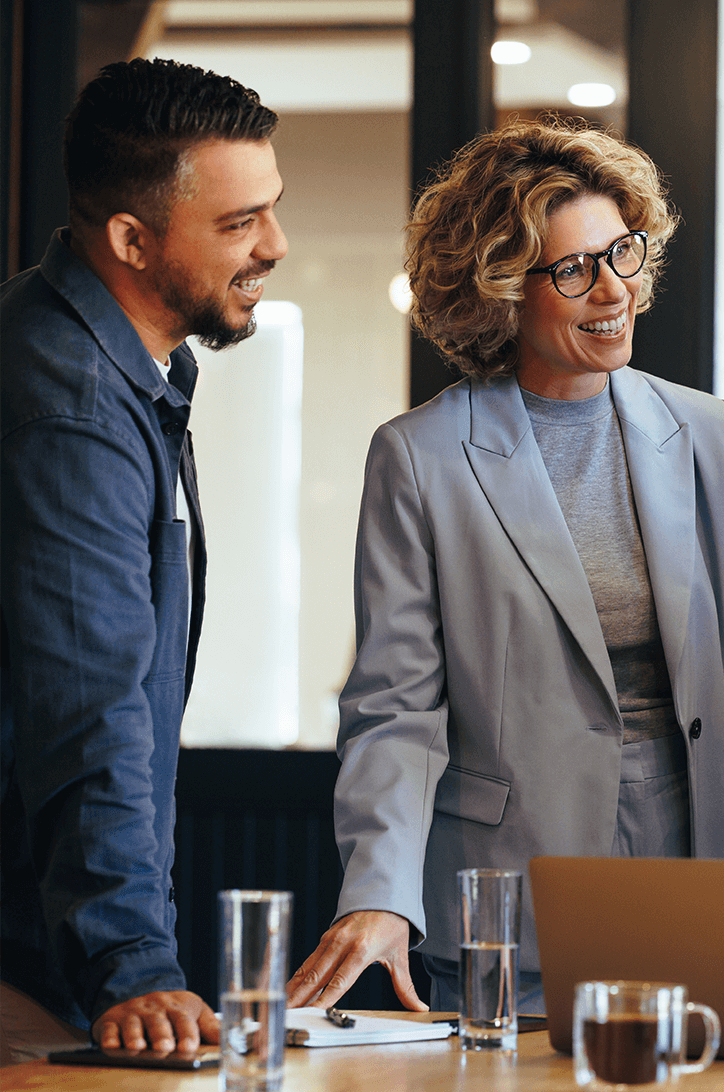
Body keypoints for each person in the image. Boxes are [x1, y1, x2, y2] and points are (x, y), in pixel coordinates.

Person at [285, 119, 724, 1016]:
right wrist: (379, 891)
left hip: (697, 867)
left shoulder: (704, 431)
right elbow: (394, 707)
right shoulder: (420, 457)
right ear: (500, 291)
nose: (613, 290)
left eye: (622, 253)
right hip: (507, 887)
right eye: (572, 270)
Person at [0, 59, 286, 1063]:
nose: (275, 246)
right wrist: (131, 962)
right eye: (239, 223)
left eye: (272, 211)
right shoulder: (73, 404)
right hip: (28, 960)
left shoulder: (123, 367)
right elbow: (91, 701)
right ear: (130, 238)